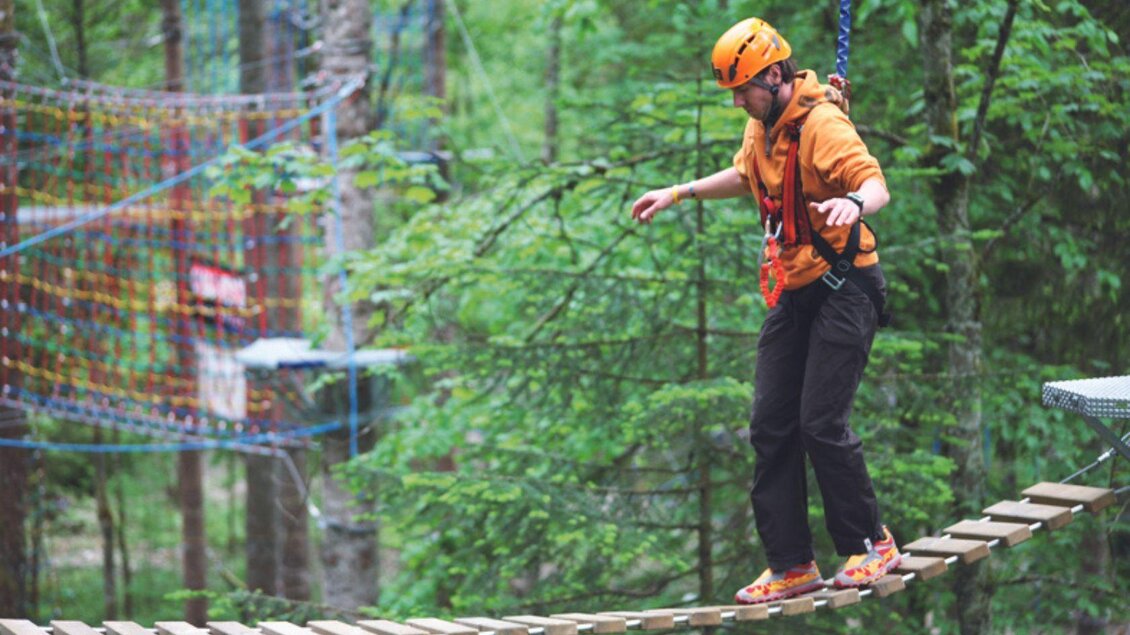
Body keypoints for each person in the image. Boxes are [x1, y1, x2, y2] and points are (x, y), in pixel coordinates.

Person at [630, 17, 900, 604]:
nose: (736, 100)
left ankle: (870, 544)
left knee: (821, 423)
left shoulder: (822, 122)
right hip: (795, 291)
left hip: (847, 285)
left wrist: (854, 204)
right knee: (771, 426)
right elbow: (746, 175)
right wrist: (677, 193)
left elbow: (873, 181)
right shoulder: (763, 126)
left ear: (774, 75)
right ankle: (791, 564)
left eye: (742, 88)